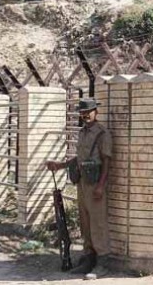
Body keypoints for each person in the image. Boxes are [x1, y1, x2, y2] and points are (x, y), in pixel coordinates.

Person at [46, 97, 112, 280]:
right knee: (85, 222)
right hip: (83, 182)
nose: (85, 116)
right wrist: (60, 165)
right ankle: (88, 258)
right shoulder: (83, 133)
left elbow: (107, 161)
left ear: (96, 112)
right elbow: (81, 159)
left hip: (96, 183)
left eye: (88, 112)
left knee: (98, 222)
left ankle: (103, 262)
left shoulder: (102, 133)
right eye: (83, 113)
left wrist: (101, 186)